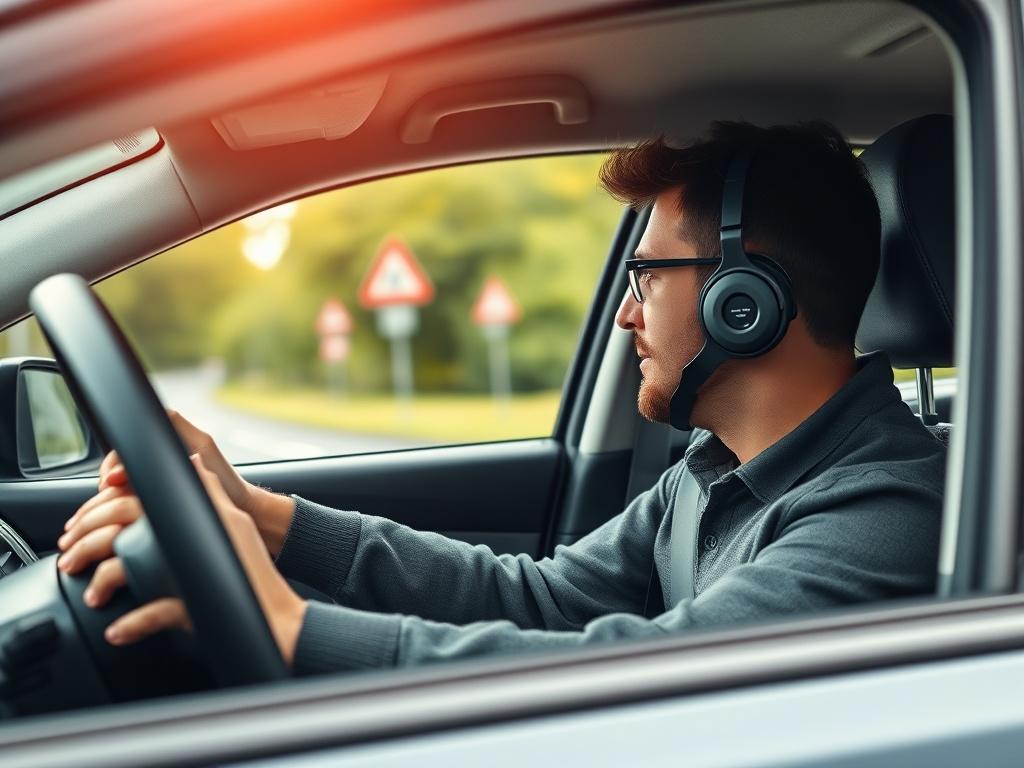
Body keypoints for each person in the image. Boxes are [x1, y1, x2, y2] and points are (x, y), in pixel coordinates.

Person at [56, 121, 946, 675]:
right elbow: (544, 601)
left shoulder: (888, 505)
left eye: (648, 274)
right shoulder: (713, 471)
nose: (628, 312)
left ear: (743, 302)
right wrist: (264, 515)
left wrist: (290, 628)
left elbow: (664, 680)